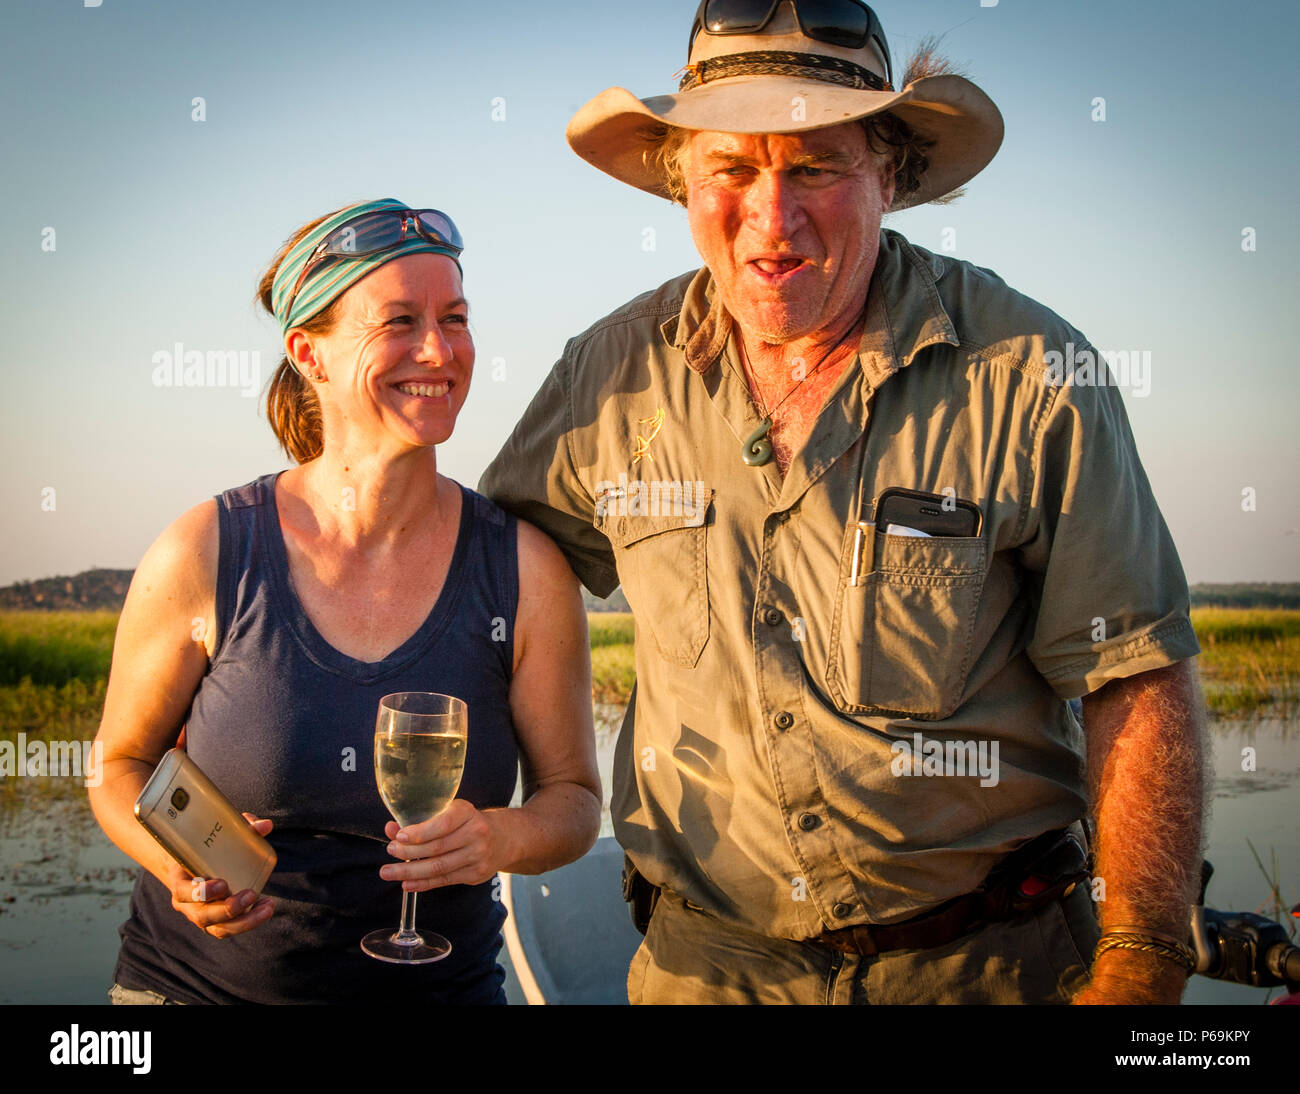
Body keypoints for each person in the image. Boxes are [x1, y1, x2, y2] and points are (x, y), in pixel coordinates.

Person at [479, 1, 1208, 1004]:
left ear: (892, 174)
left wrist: (1139, 958)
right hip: (701, 971)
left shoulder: (1031, 371)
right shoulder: (606, 374)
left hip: (989, 970)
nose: (771, 220)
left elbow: (1133, 672)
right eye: (731, 167)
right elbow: (483, 584)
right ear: (680, 178)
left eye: (816, 166)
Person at [90, 198, 601, 1004]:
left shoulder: (524, 568)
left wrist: (495, 836)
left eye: (455, 317)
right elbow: (116, 767)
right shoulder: (206, 549)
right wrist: (178, 865)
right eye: (399, 320)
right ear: (309, 354)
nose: (439, 348)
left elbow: (572, 801)